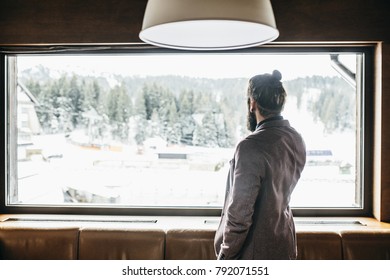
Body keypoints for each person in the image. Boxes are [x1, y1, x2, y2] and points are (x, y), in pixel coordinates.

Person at [214, 70, 306, 260]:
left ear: (252, 103)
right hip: (285, 246)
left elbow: (240, 214)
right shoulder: (296, 139)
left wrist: (225, 256)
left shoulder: (250, 147)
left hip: (253, 254)